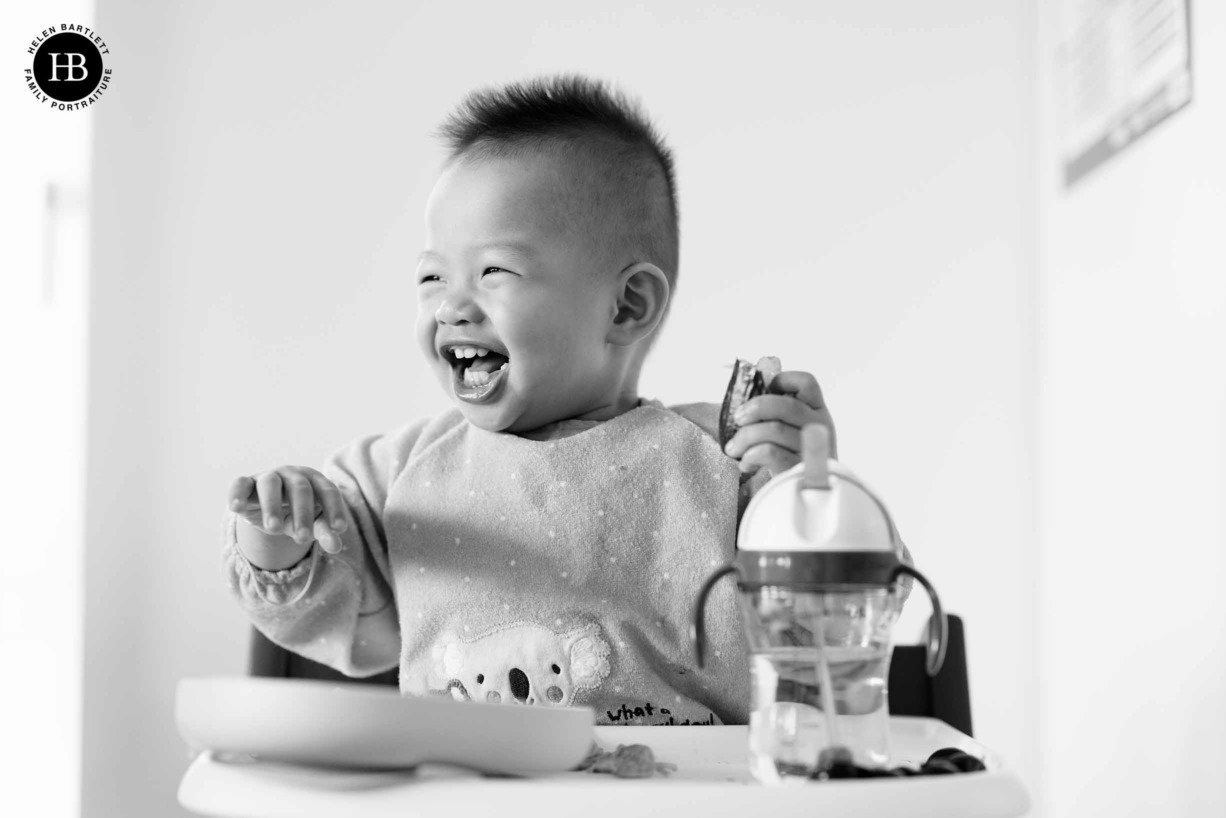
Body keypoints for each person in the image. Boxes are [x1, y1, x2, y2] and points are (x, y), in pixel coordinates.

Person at [223, 74, 836, 726]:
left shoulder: (719, 462)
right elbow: (346, 628)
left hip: (681, 795)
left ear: (626, 305)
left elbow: (829, 643)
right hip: (469, 793)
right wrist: (277, 538)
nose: (451, 306)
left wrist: (804, 493)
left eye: (494, 272)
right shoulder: (396, 475)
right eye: (432, 277)